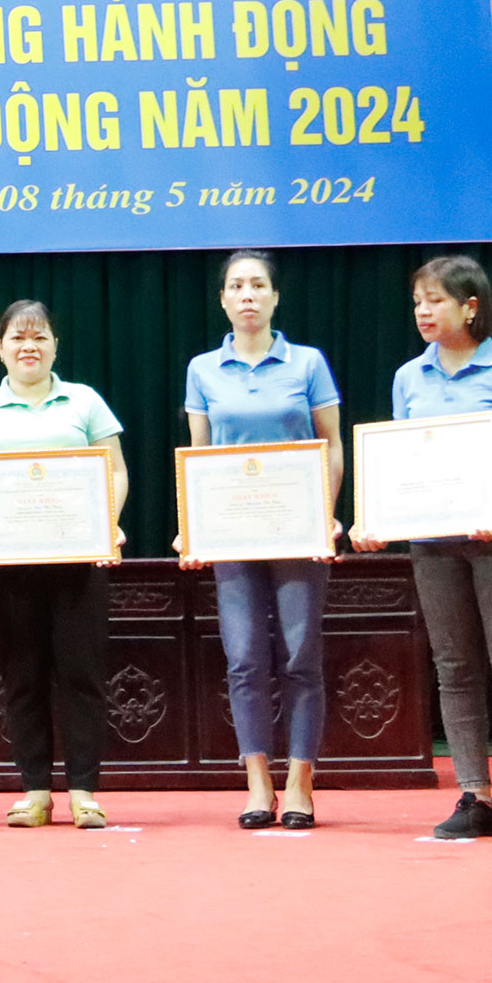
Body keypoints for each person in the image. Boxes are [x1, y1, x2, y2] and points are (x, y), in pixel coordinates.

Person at [359, 255, 492, 843]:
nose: (423, 312)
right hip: (433, 544)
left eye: (435, 301)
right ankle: (475, 797)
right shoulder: (409, 377)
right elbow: (404, 461)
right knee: (454, 670)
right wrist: (378, 518)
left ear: (470, 306)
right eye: (417, 302)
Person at [0, 299, 128, 829]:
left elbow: (115, 470)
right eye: (18, 338)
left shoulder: (85, 401)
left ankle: (83, 792)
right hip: (10, 566)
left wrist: (107, 521)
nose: (29, 346)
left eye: (40, 337)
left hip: (78, 563)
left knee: (82, 676)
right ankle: (35, 793)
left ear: (55, 346)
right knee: (22, 677)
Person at [179, 252, 343, 830]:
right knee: (245, 657)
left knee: (300, 656)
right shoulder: (203, 369)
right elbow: (198, 456)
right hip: (232, 535)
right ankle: (257, 783)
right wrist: (194, 526)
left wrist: (325, 515)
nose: (247, 294)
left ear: (275, 297)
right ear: (223, 300)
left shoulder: (308, 362)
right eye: (236, 286)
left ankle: (299, 782)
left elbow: (331, 445)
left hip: (298, 532)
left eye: (258, 285)